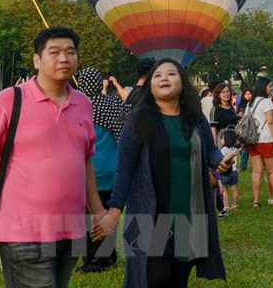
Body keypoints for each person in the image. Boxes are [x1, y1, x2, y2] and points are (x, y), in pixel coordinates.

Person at [91, 58, 233, 287]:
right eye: (157, 75)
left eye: (171, 74)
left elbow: (209, 151)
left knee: (178, 278)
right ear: (150, 86)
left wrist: (221, 162)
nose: (164, 78)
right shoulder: (139, 120)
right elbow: (124, 170)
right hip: (153, 215)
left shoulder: (194, 118)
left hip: (189, 212)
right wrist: (114, 213)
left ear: (183, 83)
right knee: (155, 277)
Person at [0, 26, 105, 287]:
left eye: (70, 52)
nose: (64, 58)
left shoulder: (84, 104)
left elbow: (84, 160)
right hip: (22, 230)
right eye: (54, 52)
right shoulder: (10, 100)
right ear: (37, 60)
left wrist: (96, 210)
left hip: (71, 230)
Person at [73, 67, 129, 274]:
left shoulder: (77, 107)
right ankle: (109, 255)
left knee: (88, 217)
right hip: (112, 168)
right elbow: (124, 135)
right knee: (106, 212)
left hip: (88, 169)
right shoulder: (115, 104)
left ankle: (95, 262)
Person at [246, 76, 273, 207]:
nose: (271, 89)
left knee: (256, 171)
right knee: (272, 171)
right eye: (269, 86)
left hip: (252, 140)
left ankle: (256, 200)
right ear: (263, 87)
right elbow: (271, 121)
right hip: (266, 139)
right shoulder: (267, 102)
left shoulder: (251, 103)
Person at [218, 128, 240, 211]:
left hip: (226, 172)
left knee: (224, 189)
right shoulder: (235, 149)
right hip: (234, 171)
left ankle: (226, 205)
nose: (221, 140)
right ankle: (235, 204)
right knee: (234, 188)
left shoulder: (223, 150)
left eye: (222, 138)